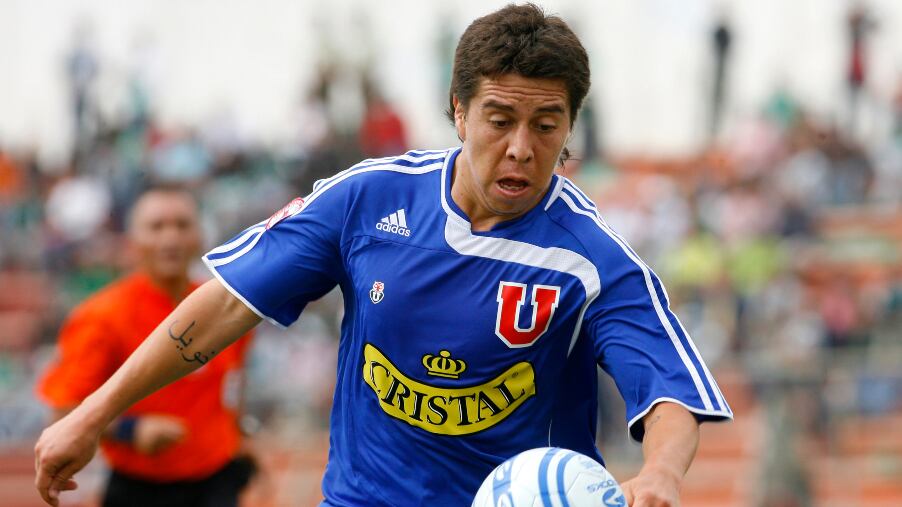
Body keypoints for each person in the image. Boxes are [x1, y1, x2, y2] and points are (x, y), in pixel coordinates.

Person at [35, 5, 732, 506]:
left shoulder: (590, 258)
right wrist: (93, 414)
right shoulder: (367, 200)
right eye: (500, 120)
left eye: (546, 125)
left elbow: (668, 389)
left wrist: (663, 473)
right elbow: (224, 305)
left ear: (571, 125)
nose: (521, 147)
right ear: (458, 111)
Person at [36, 185, 255, 507]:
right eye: (156, 227)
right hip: (139, 488)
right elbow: (62, 410)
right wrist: (131, 430)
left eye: (182, 225)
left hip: (217, 482)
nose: (171, 238)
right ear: (131, 242)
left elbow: (232, 383)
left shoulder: (226, 305)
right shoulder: (101, 316)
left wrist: (242, 439)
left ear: (200, 236)